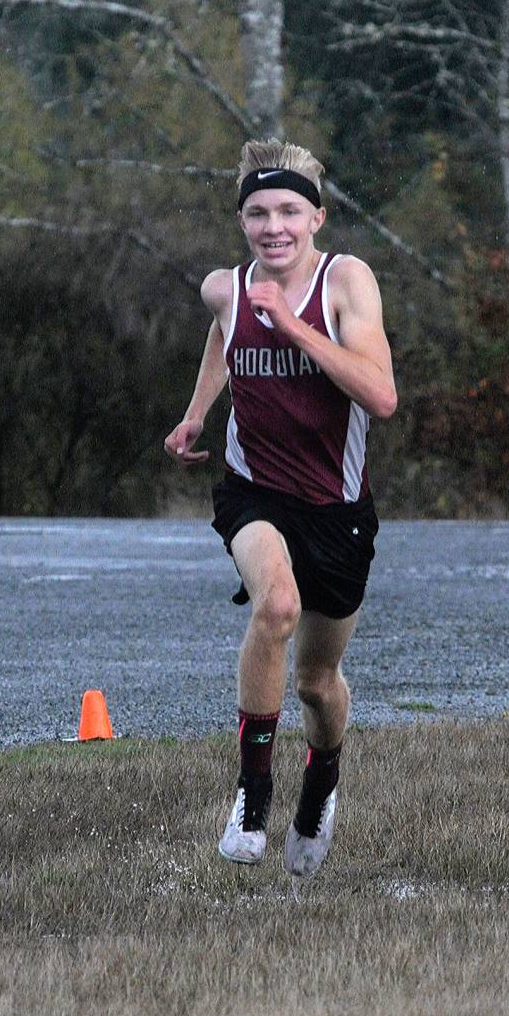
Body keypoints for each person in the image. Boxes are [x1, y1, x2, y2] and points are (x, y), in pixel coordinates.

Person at [164, 138, 396, 878]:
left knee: (315, 684)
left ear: (317, 218)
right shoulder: (224, 288)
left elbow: (381, 396)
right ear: (241, 222)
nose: (274, 226)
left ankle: (322, 780)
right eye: (258, 213)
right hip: (252, 489)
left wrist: (290, 326)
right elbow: (221, 332)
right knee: (274, 607)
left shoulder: (345, 282)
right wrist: (198, 411)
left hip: (336, 508)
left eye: (289, 211)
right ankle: (251, 796)